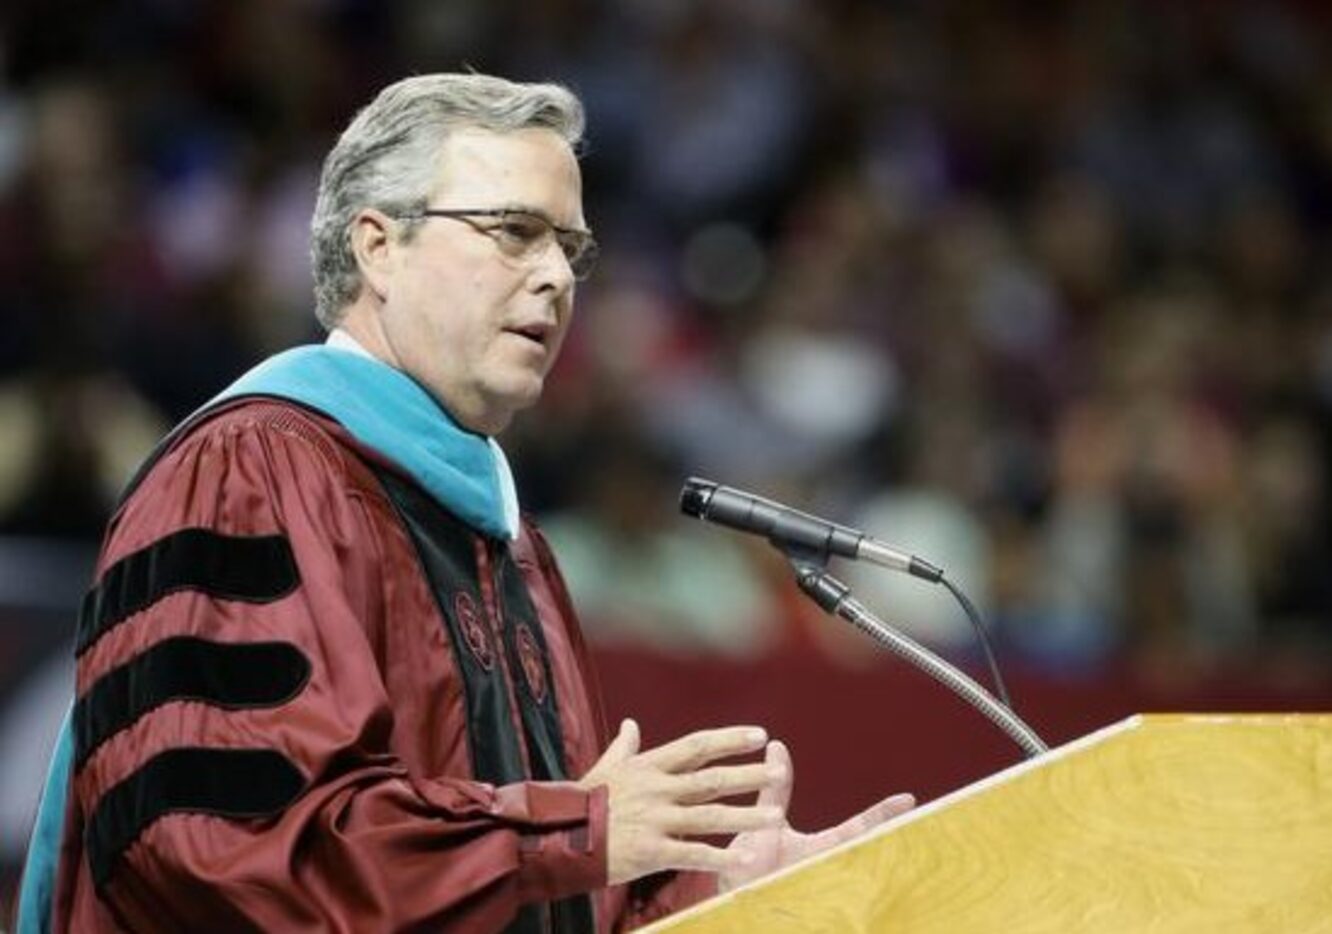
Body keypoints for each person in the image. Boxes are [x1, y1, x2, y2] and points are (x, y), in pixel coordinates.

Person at [15, 73, 912, 933]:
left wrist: (713, 895)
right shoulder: (253, 470)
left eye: (572, 247)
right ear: (379, 247)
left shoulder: (507, 540)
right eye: (514, 231)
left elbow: (516, 890)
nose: (558, 276)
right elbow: (232, 850)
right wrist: (579, 829)